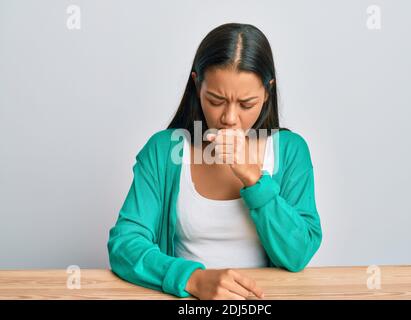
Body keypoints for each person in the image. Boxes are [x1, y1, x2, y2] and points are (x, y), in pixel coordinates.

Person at [107, 22, 322, 300]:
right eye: (216, 100)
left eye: (246, 104)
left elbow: (298, 253)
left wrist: (255, 179)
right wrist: (192, 279)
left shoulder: (291, 151)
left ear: (268, 92)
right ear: (197, 84)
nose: (230, 118)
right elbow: (125, 244)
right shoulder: (164, 150)